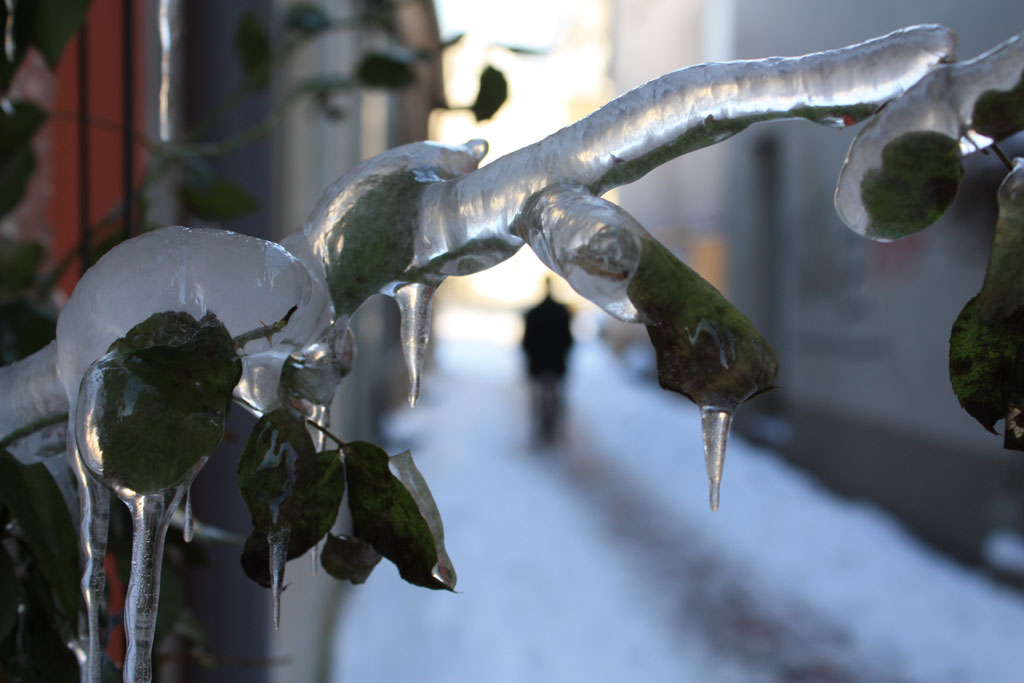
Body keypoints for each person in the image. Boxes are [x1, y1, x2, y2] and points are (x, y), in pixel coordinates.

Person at [522, 277, 573, 443]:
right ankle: (552, 429)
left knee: (539, 399)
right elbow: (568, 340)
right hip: (556, 363)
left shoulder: (534, 312)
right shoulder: (562, 312)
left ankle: (541, 429)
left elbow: (526, 342)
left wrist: (530, 361)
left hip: (539, 364)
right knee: (554, 397)